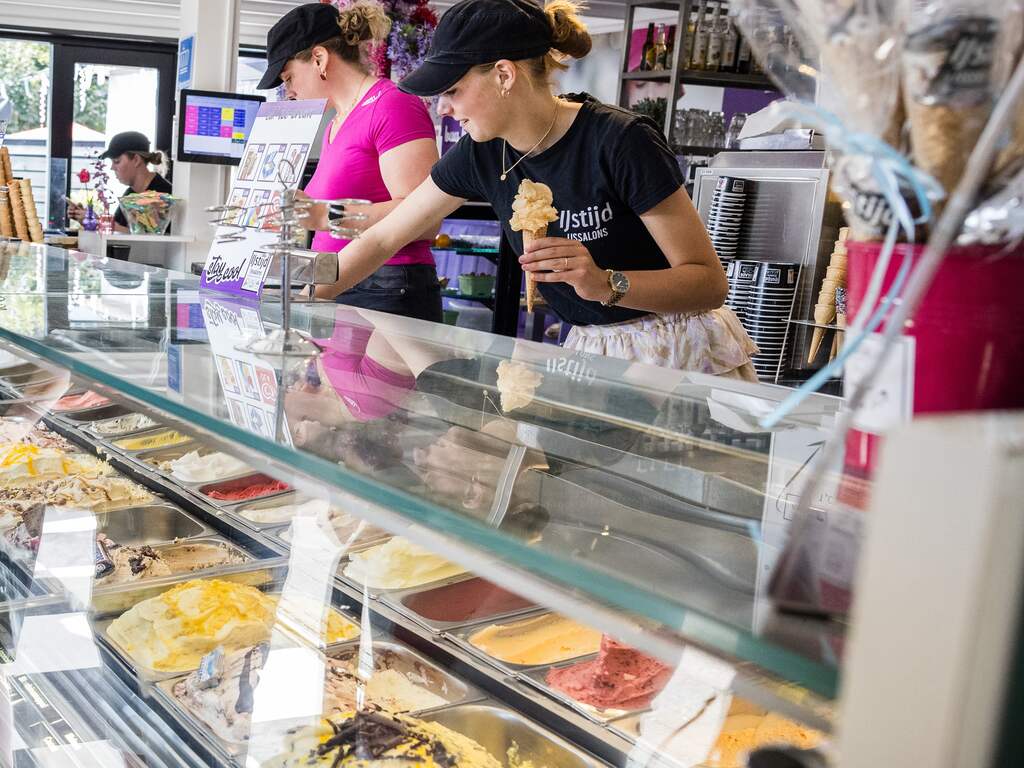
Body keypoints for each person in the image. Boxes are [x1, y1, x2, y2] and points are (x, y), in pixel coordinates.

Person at [315, 0, 758, 380]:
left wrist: (606, 283)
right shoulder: (480, 152)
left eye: (452, 90)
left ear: (504, 74)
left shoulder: (620, 140)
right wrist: (297, 296)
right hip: (592, 350)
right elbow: (383, 236)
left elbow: (707, 283)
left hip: (677, 352)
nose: (444, 110)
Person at [259, 1, 442, 322]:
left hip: (387, 286)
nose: (288, 92)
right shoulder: (335, 123)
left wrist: (324, 215)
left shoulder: (393, 106)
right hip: (335, 284)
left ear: (318, 58)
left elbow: (426, 219)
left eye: (288, 78)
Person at [68, 131, 171, 234]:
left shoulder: (163, 195)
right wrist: (90, 219)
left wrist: (100, 223)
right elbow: (117, 230)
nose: (112, 167)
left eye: (117, 161)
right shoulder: (130, 193)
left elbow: (152, 239)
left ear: (136, 160)